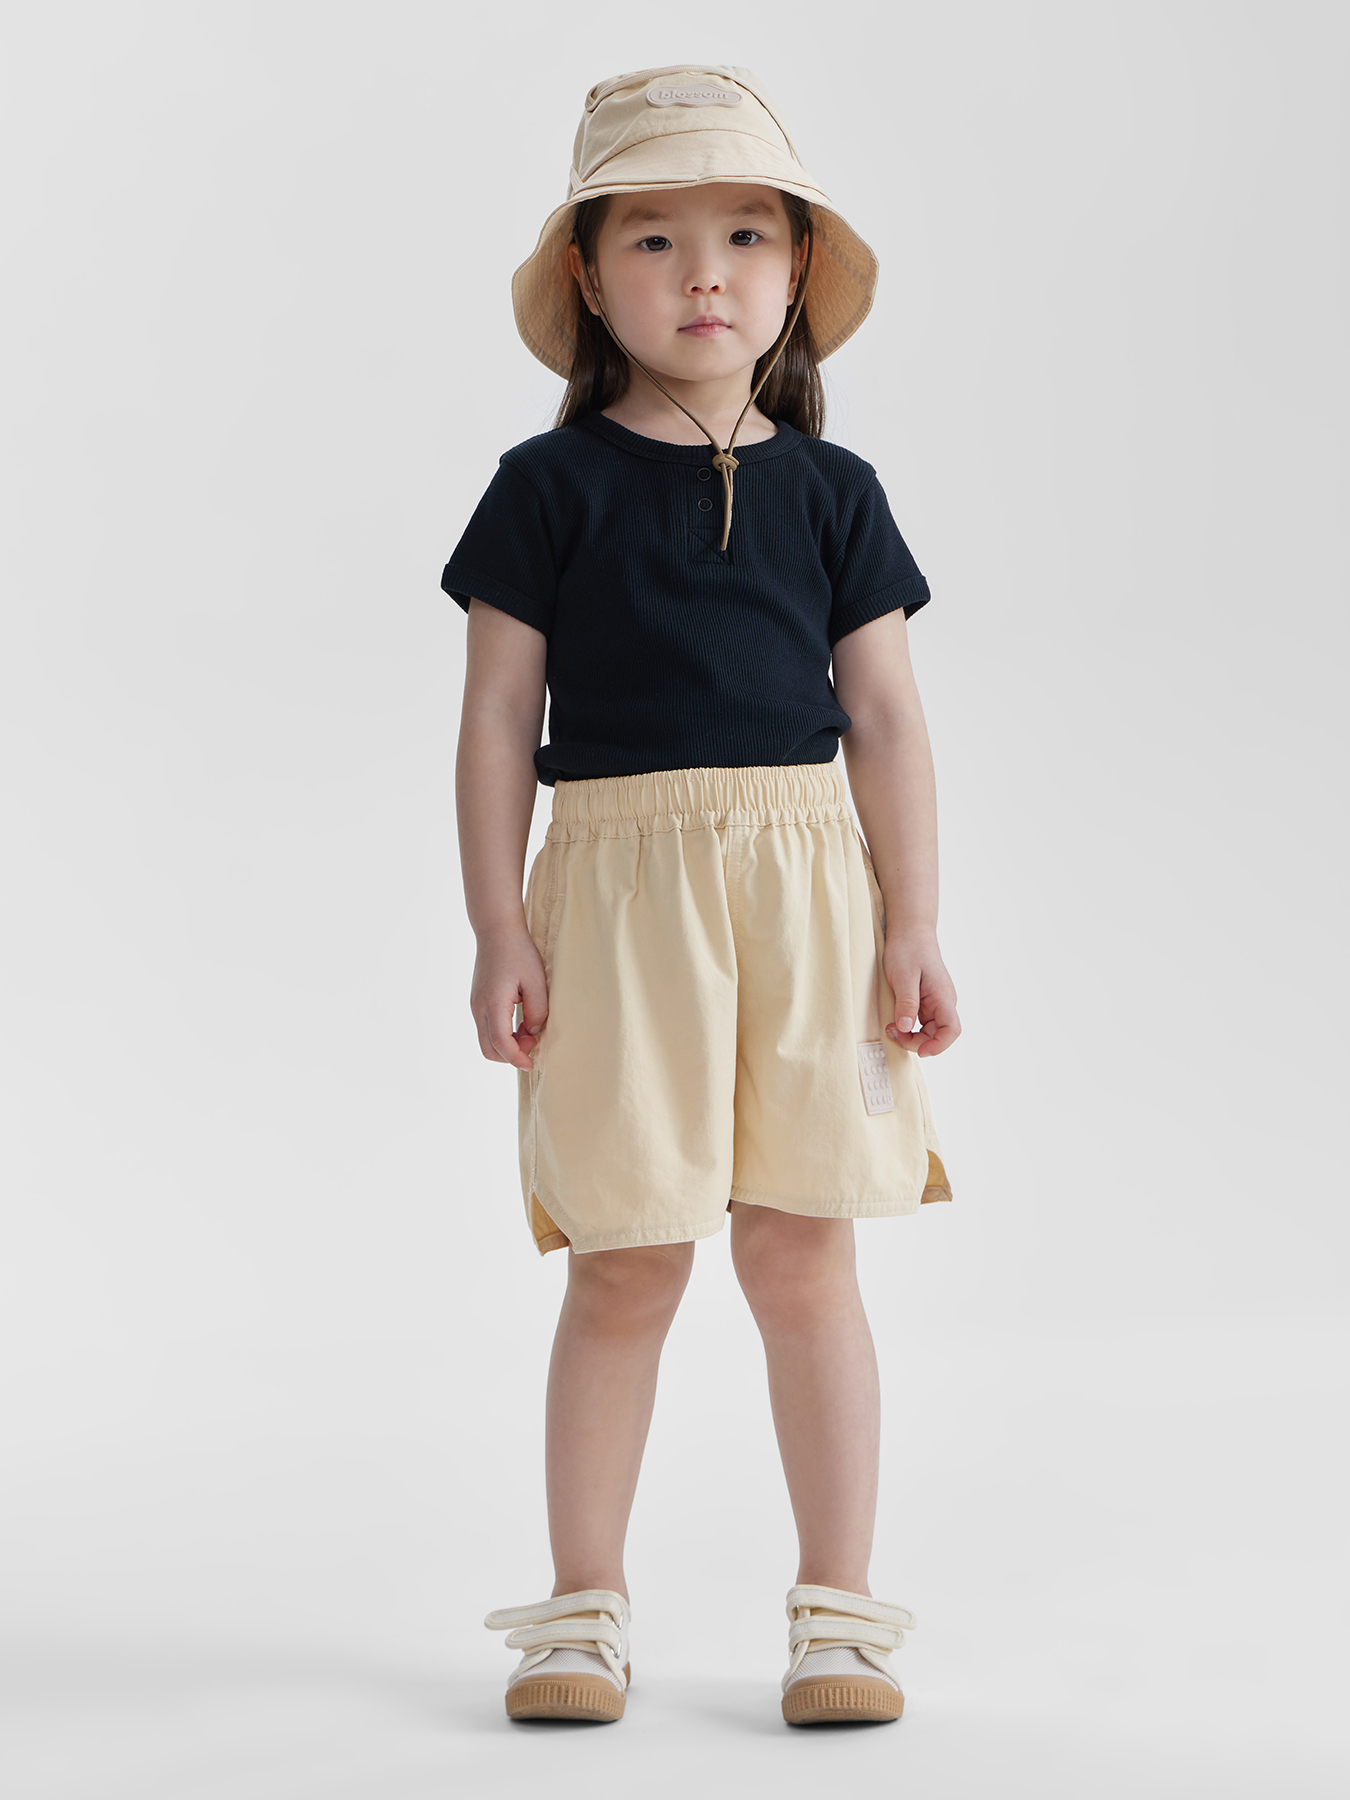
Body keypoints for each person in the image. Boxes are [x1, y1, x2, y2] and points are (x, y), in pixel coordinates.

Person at [445, 64, 959, 1728]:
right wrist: (499, 925)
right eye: (654, 238)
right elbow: (495, 722)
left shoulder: (835, 490)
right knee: (624, 1257)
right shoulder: (545, 489)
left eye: (744, 234)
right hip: (614, 895)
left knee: (804, 1257)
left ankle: (839, 1618)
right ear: (590, 276)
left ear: (796, 267)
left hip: (807, 891)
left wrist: (911, 920)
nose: (703, 274)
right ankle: (578, 1612)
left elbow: (885, 718)